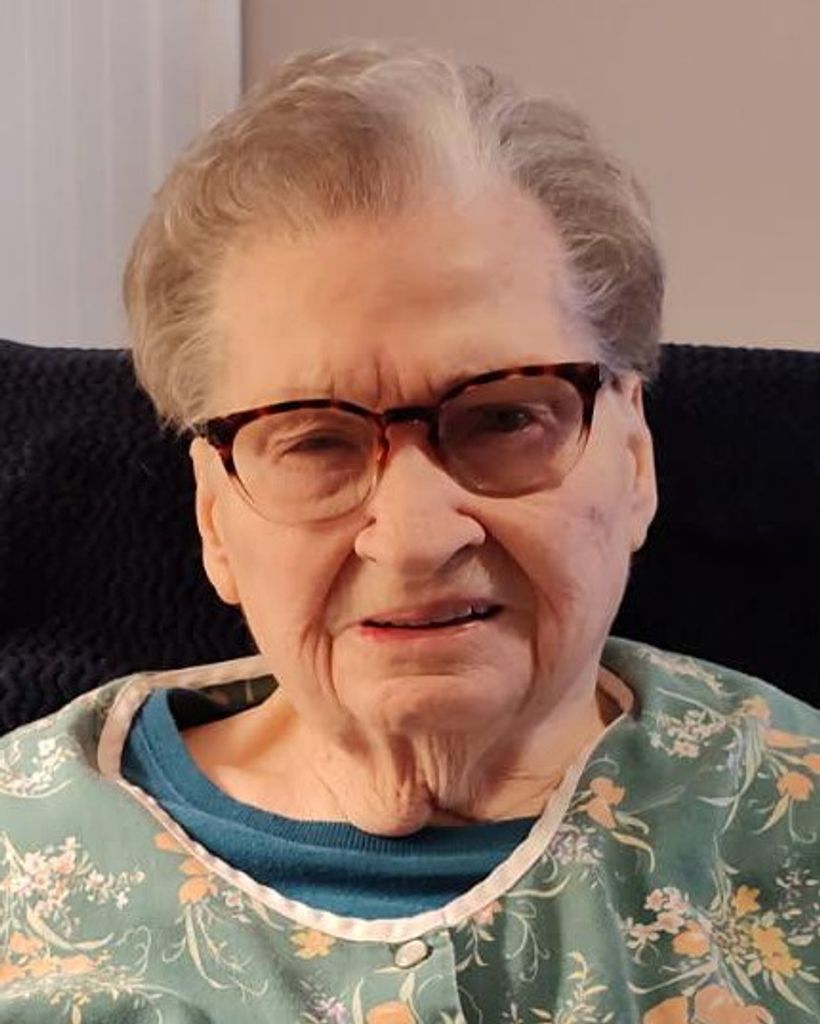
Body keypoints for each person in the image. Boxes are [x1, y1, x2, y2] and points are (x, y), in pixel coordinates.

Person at [1, 42, 818, 1024]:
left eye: (505, 417)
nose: (416, 537)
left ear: (634, 457)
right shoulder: (20, 858)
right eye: (314, 441)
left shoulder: (793, 816)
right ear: (214, 515)